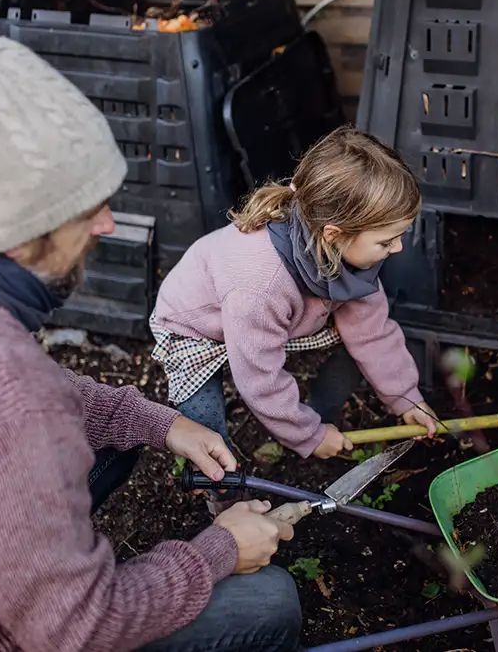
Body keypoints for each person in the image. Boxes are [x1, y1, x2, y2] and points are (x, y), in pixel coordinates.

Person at [0, 36, 300, 652]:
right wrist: (220, 550)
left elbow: (27, 406)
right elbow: (80, 629)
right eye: (86, 209)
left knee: (119, 438)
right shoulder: (10, 405)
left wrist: (159, 422)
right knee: (271, 603)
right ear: (20, 229)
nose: (107, 222)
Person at [149, 126, 440, 513]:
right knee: (205, 428)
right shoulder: (260, 284)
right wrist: (307, 435)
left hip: (273, 322)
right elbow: (260, 379)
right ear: (335, 234)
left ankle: (321, 416)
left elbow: (373, 333)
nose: (398, 247)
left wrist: (407, 399)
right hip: (196, 329)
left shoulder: (344, 253)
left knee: (355, 344)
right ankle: (227, 502)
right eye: (387, 241)